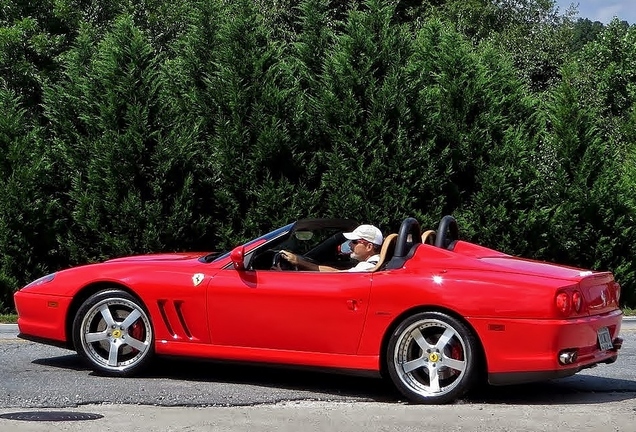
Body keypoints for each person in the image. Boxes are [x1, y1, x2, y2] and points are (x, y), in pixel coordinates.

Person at [280, 224, 383, 272]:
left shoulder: (367, 267)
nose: (350, 245)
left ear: (369, 246)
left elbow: (337, 274)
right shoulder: (375, 263)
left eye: (354, 242)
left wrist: (298, 261)